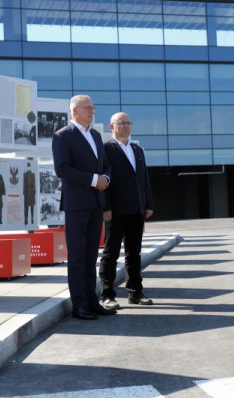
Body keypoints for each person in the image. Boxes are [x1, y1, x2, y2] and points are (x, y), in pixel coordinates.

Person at [52, 95, 114, 320]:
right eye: (88, 108)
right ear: (75, 110)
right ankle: (79, 306)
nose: (92, 111)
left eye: (93, 107)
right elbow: (62, 169)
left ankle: (92, 301)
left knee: (90, 257)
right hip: (77, 205)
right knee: (77, 257)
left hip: (96, 203)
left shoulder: (96, 135)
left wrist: (105, 177)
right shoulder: (62, 136)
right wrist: (92, 179)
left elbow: (105, 163)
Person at [99, 112, 154, 309]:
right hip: (115, 211)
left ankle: (135, 292)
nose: (125, 126)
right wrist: (106, 207)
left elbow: (144, 179)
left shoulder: (137, 150)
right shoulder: (105, 149)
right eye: (121, 123)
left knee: (134, 253)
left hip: (136, 210)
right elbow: (103, 179)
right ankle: (107, 294)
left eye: (128, 123)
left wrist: (147, 204)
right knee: (110, 253)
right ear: (111, 126)